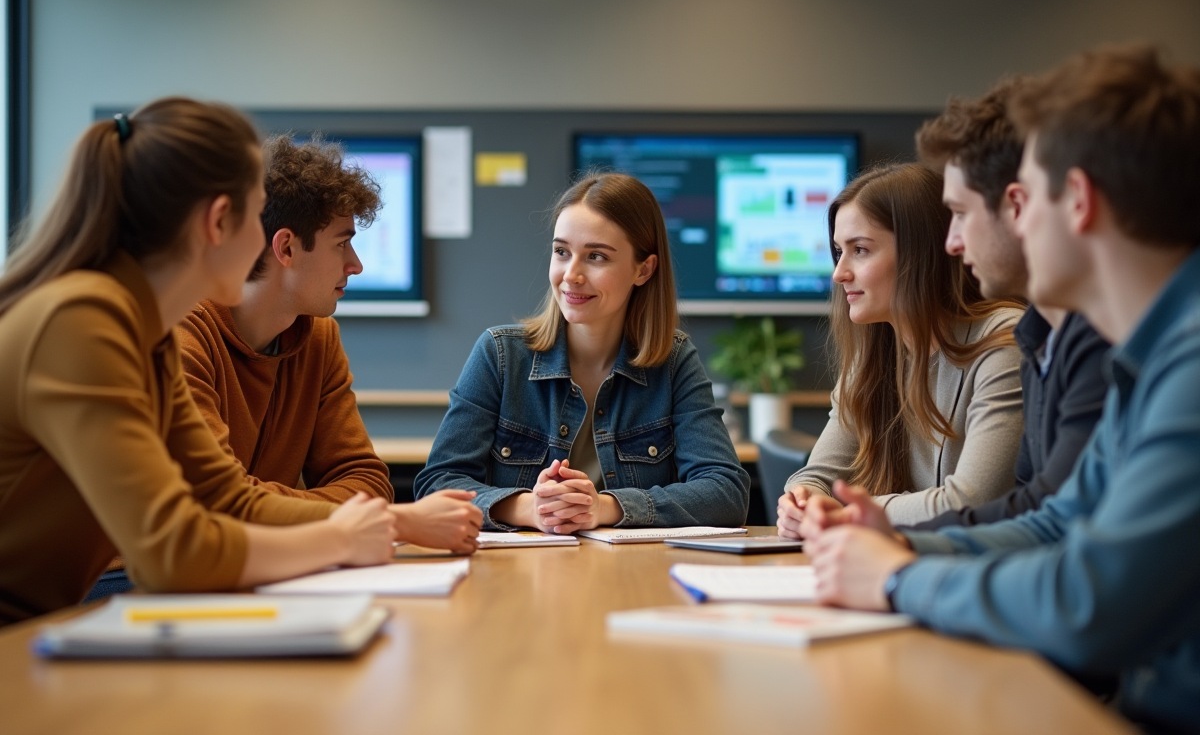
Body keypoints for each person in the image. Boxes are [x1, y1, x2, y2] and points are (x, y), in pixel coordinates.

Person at [804, 45, 1200, 733]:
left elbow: (1089, 605)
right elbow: (1058, 522)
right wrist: (894, 549)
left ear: (1075, 201)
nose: (963, 240)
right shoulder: (1152, 356)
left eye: (1025, 200)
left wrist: (896, 579)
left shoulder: (1189, 364)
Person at [0, 98, 397, 627]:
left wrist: (387, 523)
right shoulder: (83, 318)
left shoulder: (148, 331)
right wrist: (341, 535)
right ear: (218, 222)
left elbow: (226, 500)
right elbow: (172, 551)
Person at [178, 137, 481, 553]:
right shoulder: (182, 335)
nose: (355, 264)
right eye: (342, 243)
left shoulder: (317, 339)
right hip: (132, 581)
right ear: (285, 247)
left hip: (260, 565)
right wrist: (392, 522)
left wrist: (278, 509)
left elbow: (368, 484)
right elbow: (218, 504)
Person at [414, 173, 750, 532]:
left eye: (596, 257)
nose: (570, 275)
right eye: (562, 252)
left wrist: (602, 507)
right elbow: (436, 486)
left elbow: (726, 492)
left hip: (633, 577)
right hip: (522, 575)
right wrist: (530, 508)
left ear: (643, 269)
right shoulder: (500, 355)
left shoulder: (673, 362)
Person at [899, 79, 1108, 531]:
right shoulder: (1039, 336)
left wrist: (900, 561)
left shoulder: (1109, 342)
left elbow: (1067, 538)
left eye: (960, 212)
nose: (951, 242)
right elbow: (1037, 513)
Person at [776, 163, 1025, 533]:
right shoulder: (874, 353)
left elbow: (971, 503)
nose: (839, 273)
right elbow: (818, 476)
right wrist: (802, 500)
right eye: (838, 252)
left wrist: (847, 513)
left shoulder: (1004, 342)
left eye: (860, 250)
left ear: (919, 254)